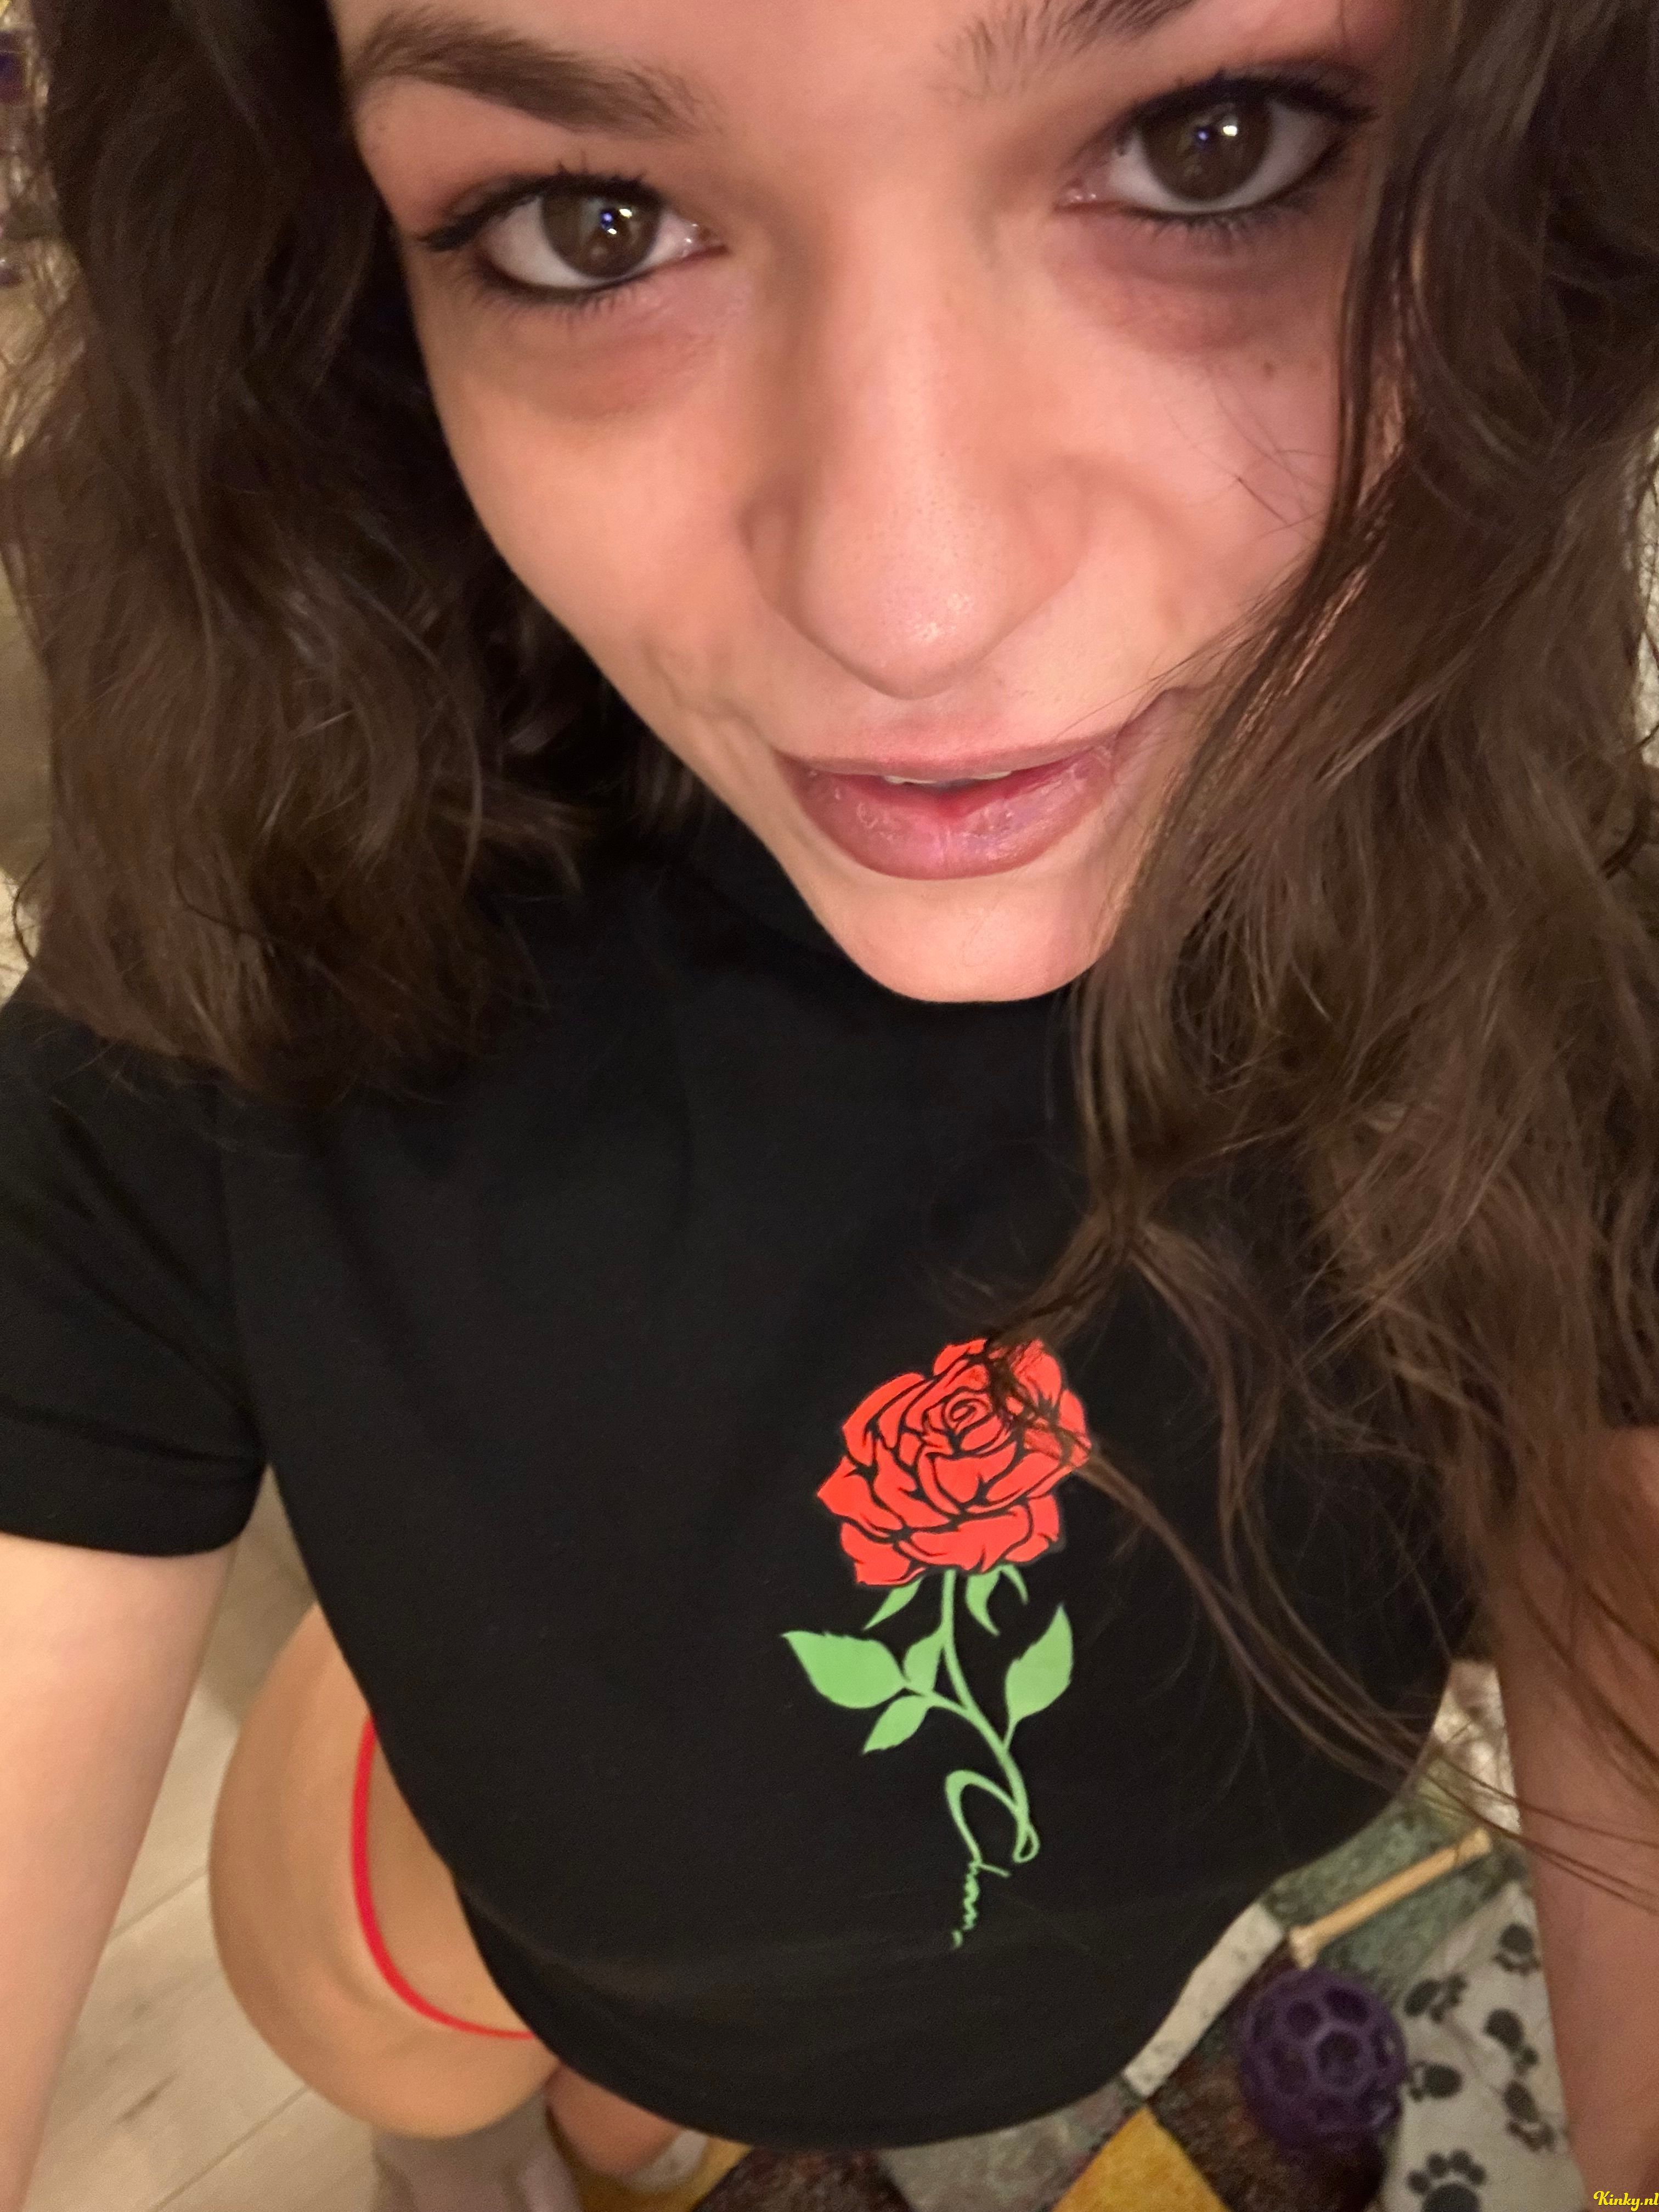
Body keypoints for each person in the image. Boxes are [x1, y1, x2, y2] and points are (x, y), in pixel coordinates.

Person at [2, 0, 1658, 2205]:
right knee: (515, 2091)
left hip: (1071, 1984)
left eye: (1215, 145)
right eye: (591, 226)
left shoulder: (1576, 964)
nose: (907, 611)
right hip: (460, 1955)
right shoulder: (252, 947)